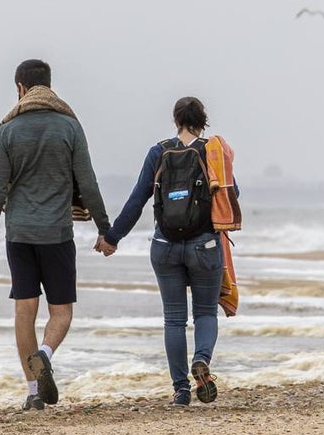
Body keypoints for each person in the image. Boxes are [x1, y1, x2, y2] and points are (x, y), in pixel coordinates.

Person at [0, 59, 112, 410]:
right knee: (61, 312)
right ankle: (46, 355)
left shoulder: (7, 129)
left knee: (25, 311)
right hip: (57, 234)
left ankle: (34, 392)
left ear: (20, 88)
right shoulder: (69, 126)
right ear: (48, 87)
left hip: (19, 234)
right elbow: (88, 182)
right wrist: (104, 228)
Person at [95, 96, 240, 406]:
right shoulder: (211, 151)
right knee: (204, 312)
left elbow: (137, 200)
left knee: (174, 320)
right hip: (206, 244)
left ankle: (181, 390)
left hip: (165, 246)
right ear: (203, 122)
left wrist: (112, 237)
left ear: (176, 121)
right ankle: (202, 362)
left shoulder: (158, 151)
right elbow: (232, 193)